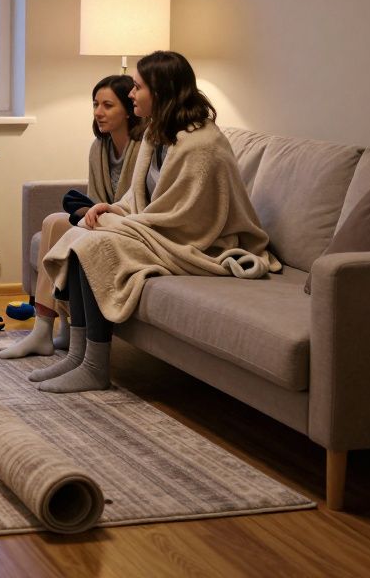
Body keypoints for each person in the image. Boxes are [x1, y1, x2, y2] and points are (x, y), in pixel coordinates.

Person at [31, 51, 279, 392]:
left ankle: (94, 368)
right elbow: (141, 196)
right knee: (83, 233)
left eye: (137, 86)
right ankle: (77, 356)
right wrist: (113, 209)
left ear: (160, 91)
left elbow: (189, 216)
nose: (132, 93)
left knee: (96, 246)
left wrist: (126, 225)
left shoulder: (201, 144)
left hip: (199, 241)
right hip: (163, 229)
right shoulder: (156, 134)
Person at [0, 74, 143, 360]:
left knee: (61, 219)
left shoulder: (143, 148)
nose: (98, 112)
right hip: (101, 218)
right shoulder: (99, 148)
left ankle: (49, 330)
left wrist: (101, 212)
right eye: (95, 104)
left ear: (128, 109)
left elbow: (135, 202)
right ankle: (50, 327)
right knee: (54, 220)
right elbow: (96, 196)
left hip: (124, 224)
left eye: (108, 105)